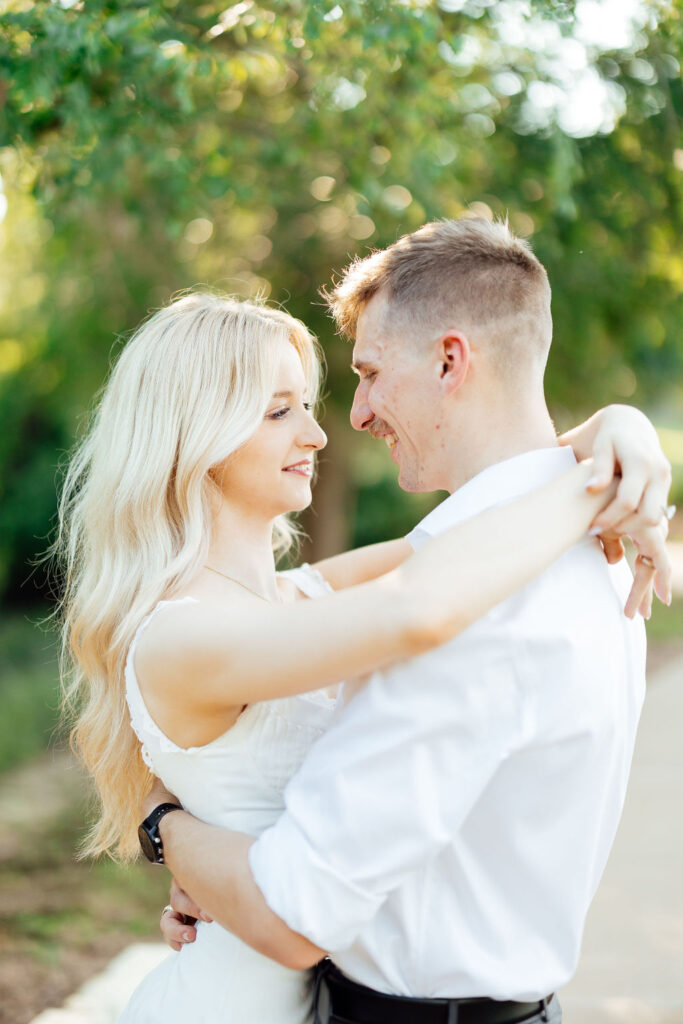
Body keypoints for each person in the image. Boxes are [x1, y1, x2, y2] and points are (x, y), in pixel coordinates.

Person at [143, 220, 673, 1024]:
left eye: (369, 372)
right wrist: (613, 434)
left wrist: (167, 827)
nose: (349, 417)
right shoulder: (585, 540)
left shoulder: (471, 600)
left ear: (450, 360)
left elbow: (292, 910)